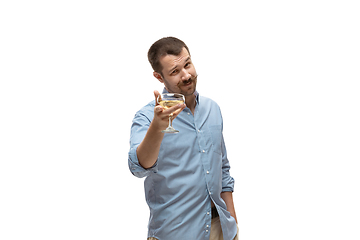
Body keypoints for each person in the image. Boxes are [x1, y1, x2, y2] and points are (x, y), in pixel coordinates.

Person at [128, 37, 238, 240]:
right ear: (159, 77)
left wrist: (233, 225)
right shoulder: (146, 117)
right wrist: (158, 126)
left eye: (187, 64)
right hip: (175, 233)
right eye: (174, 72)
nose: (186, 75)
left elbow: (222, 169)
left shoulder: (212, 109)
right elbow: (138, 166)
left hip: (220, 229)